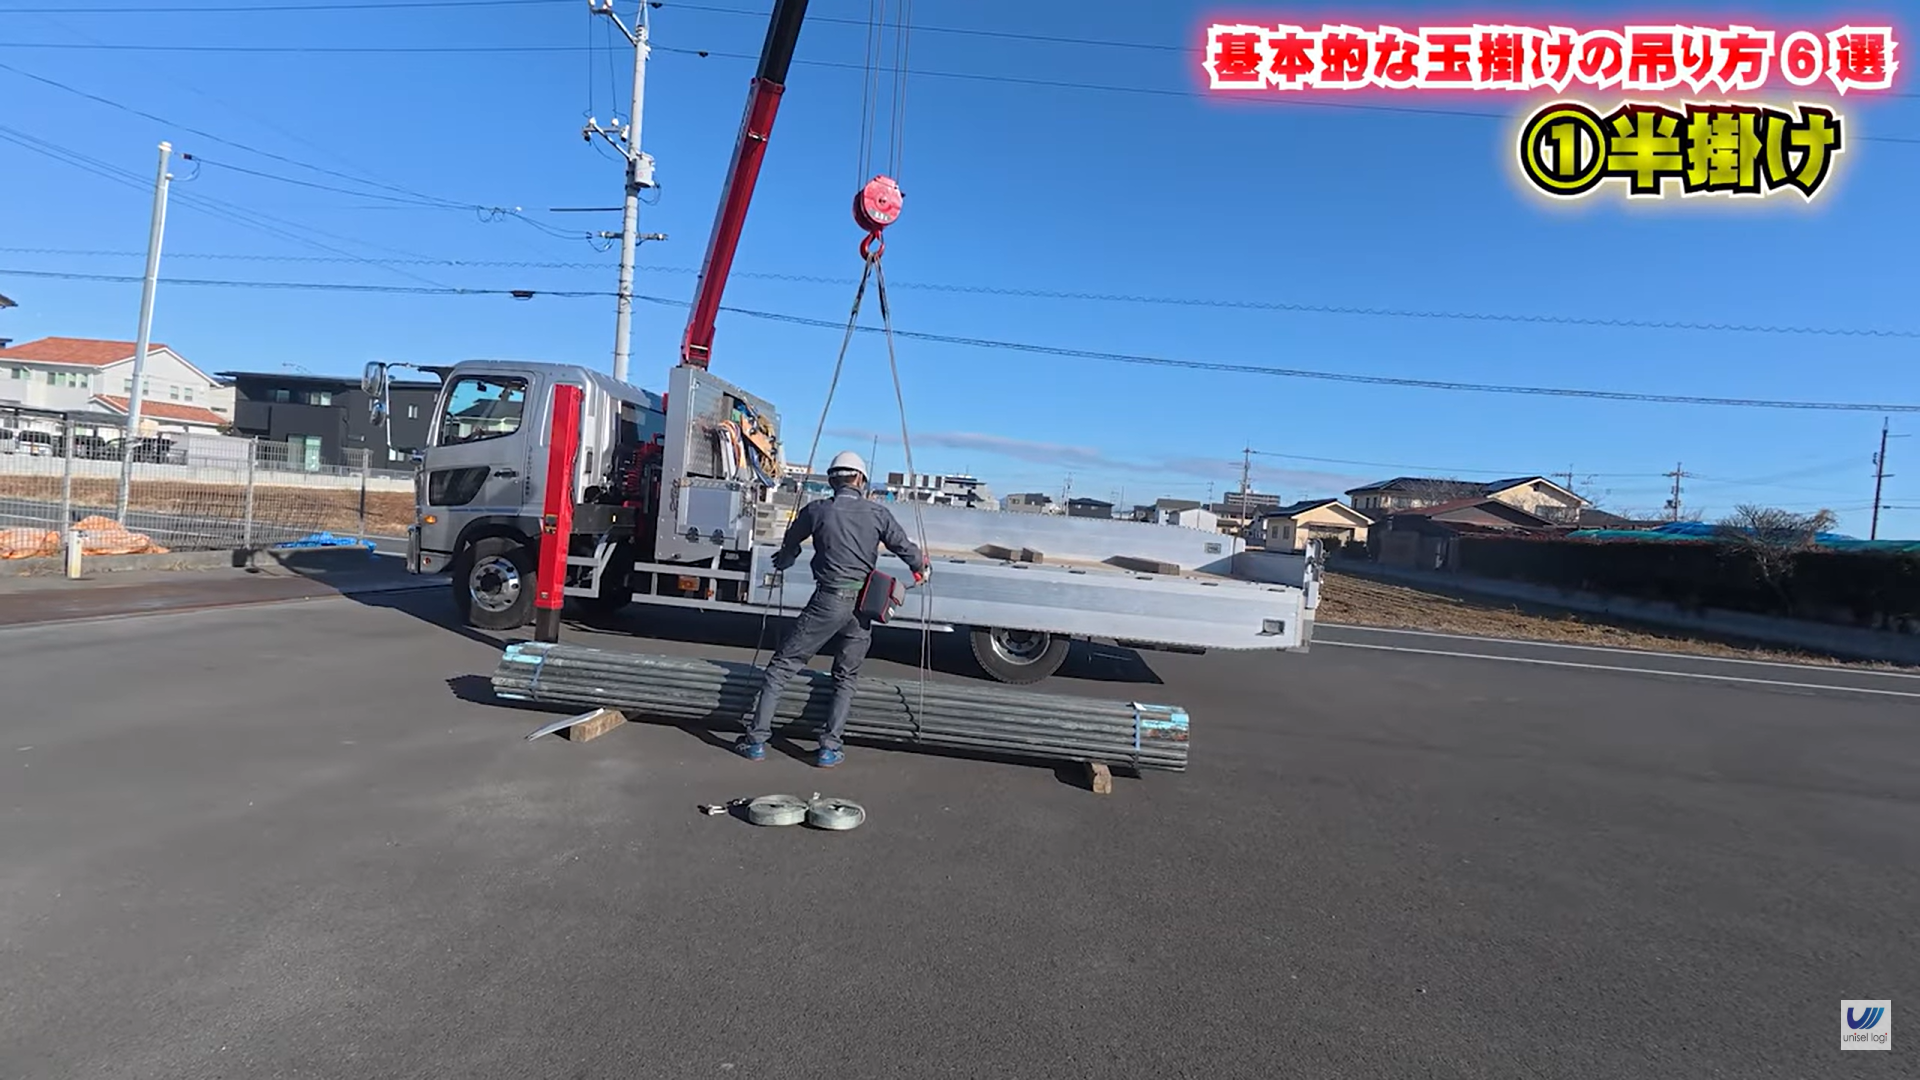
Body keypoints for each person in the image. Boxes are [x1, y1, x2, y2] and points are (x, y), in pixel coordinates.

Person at [736, 450, 928, 767]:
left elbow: (791, 543)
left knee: (782, 668)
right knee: (845, 676)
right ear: (860, 479)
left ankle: (756, 741)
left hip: (827, 601)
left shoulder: (817, 510)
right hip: (863, 606)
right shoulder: (878, 514)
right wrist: (921, 567)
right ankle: (829, 748)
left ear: (831, 481)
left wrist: (785, 560)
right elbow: (906, 549)